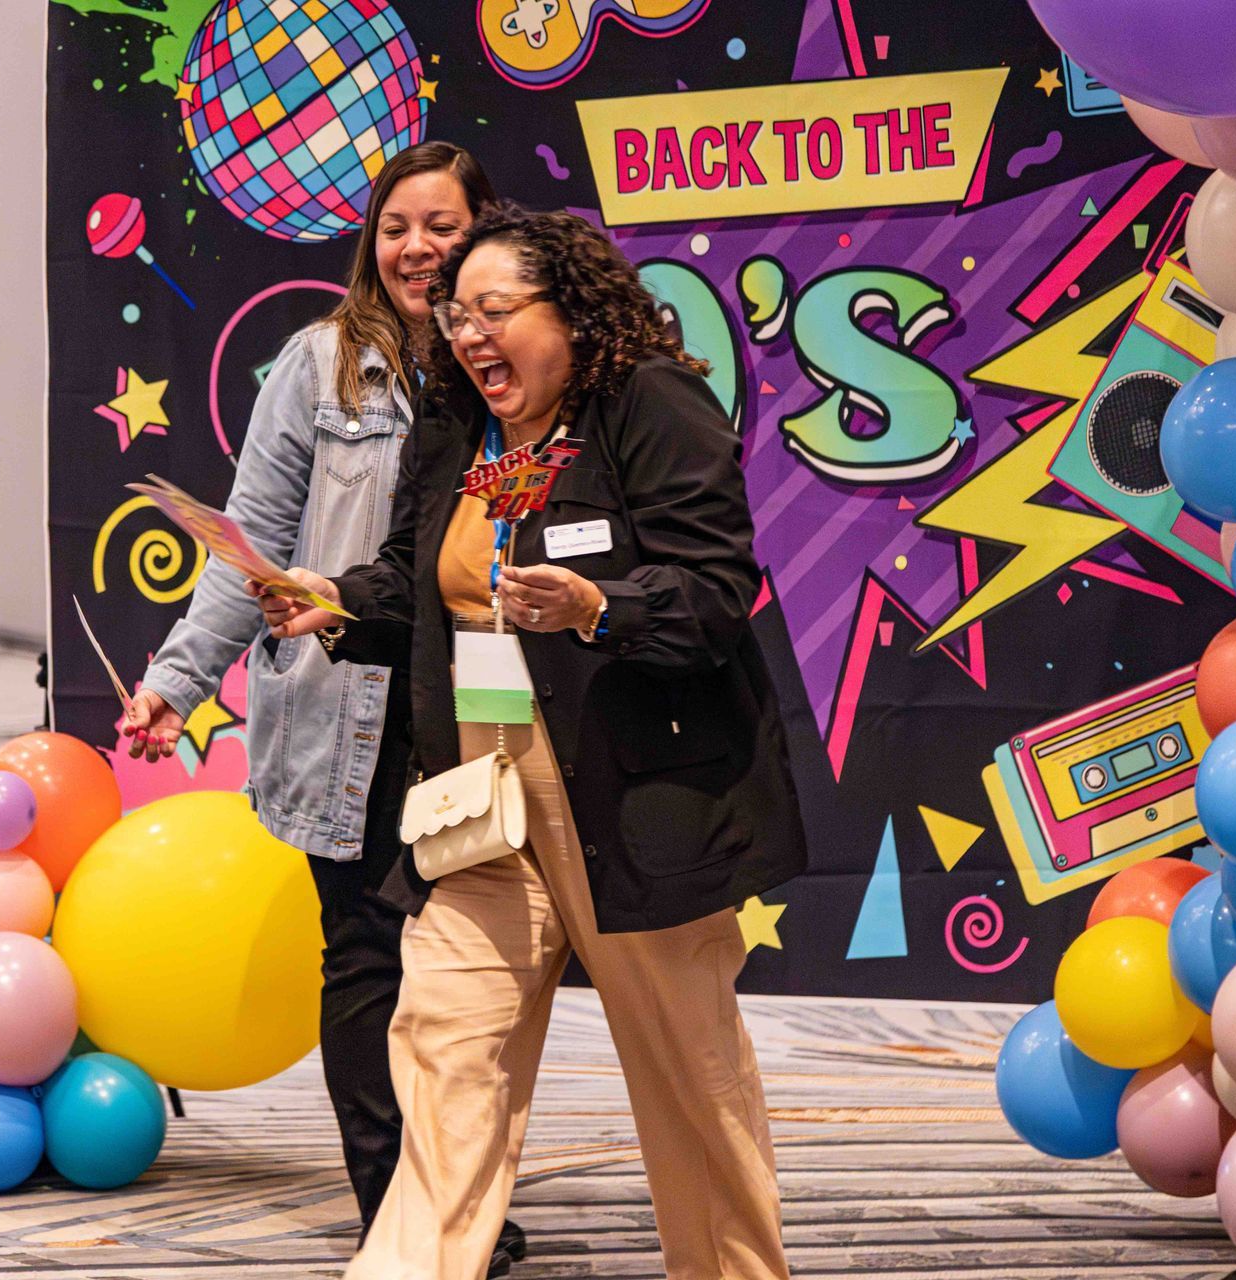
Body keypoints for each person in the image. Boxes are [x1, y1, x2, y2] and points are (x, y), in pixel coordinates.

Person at [258, 205, 808, 1280]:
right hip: (478, 797)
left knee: (690, 1079)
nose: (468, 333)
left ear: (570, 312)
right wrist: (331, 597)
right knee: (444, 1049)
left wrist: (598, 607)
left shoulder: (648, 401)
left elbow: (713, 592)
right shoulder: (457, 426)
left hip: (633, 802)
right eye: (456, 314)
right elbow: (415, 577)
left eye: (494, 310)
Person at [117, 141, 526, 1275]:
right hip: (344, 710)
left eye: (441, 225)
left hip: (477, 708)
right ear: (370, 243)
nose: (417, 248)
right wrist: (176, 679)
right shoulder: (318, 366)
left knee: (477, 977)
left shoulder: (513, 363)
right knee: (367, 960)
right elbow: (248, 541)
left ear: (486, 233)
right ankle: (397, 1208)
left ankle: (461, 1198)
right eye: (397, 226)